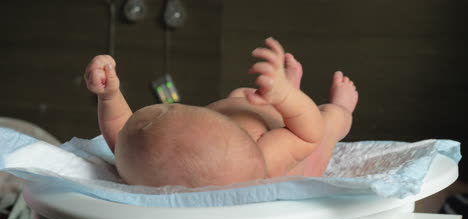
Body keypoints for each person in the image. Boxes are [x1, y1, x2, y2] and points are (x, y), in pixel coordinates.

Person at [84, 37, 358, 188]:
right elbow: (308, 133)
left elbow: (122, 131)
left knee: (238, 97)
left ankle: (280, 95)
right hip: (297, 138)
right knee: (328, 120)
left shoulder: (140, 160)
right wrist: (286, 97)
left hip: (251, 111)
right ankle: (315, 100)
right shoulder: (259, 164)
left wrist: (109, 95)